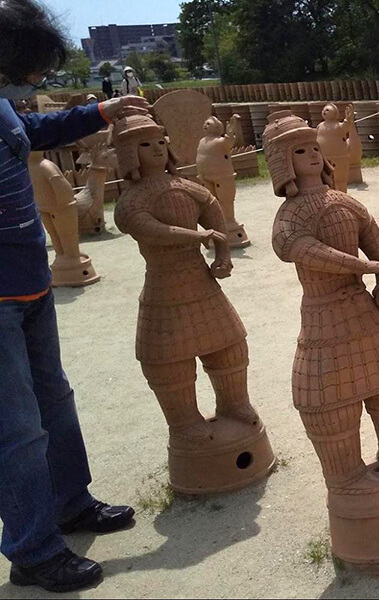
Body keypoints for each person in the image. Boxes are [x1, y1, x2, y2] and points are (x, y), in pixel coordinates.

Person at [0, 0, 150, 593]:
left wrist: (100, 110)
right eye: (28, 70)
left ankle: (70, 503)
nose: (33, 83)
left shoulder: (1, 105)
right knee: (16, 428)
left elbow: (28, 132)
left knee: (54, 399)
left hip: (29, 279)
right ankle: (34, 551)